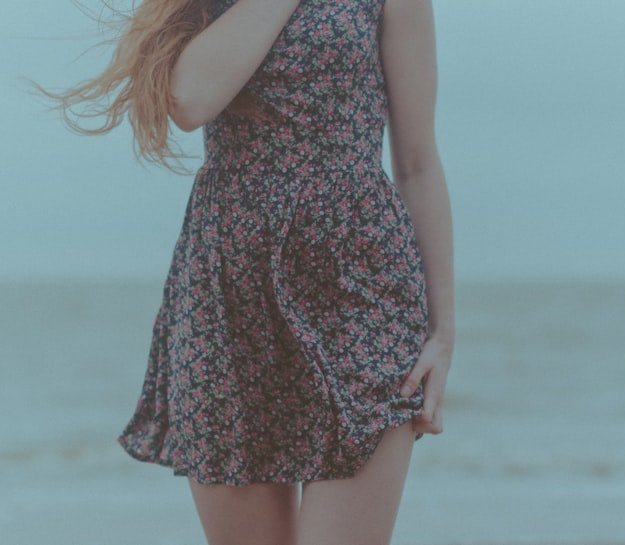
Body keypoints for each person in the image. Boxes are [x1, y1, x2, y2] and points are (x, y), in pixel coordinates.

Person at [31, 0, 454, 543]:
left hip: (362, 288)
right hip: (229, 296)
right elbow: (190, 100)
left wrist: (444, 331)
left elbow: (417, 163)